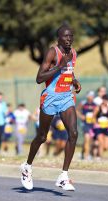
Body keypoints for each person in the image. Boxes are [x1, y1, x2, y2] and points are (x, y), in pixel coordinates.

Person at [20, 25, 81, 191]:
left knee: (74, 134)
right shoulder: (52, 52)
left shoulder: (73, 53)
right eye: (66, 36)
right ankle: (27, 167)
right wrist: (59, 66)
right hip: (50, 98)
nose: (69, 39)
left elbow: (69, 71)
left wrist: (74, 81)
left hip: (66, 97)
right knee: (42, 137)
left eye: (71, 36)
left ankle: (63, 176)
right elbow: (39, 78)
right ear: (59, 38)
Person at [76, 91, 96, 160]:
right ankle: (86, 156)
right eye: (90, 95)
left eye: (92, 96)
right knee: (87, 138)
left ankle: (83, 153)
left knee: (90, 140)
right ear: (87, 96)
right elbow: (77, 111)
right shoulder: (83, 103)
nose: (91, 97)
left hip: (92, 124)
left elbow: (97, 113)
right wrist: (81, 116)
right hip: (85, 124)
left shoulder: (95, 104)